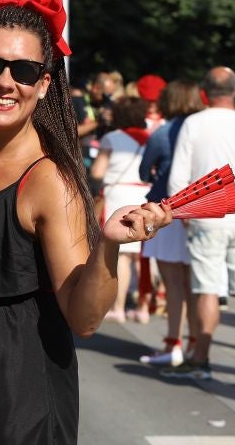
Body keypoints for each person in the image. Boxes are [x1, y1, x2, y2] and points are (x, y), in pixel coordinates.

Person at [0, 0, 171, 444]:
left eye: (24, 71)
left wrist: (106, 244)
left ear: (44, 84)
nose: (6, 83)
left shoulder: (51, 179)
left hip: (18, 389)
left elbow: (84, 319)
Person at [162, 67, 235, 381]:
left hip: (206, 215)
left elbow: (178, 177)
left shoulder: (194, 125)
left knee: (208, 288)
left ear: (204, 92)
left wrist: (181, 212)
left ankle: (201, 358)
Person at [137, 81, 204, 365]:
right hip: (199, 210)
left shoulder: (163, 132)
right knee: (196, 284)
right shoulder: (205, 131)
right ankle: (194, 344)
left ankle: (172, 342)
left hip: (166, 211)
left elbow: (144, 171)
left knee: (172, 283)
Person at [90, 97, 151, 323]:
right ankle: (144, 308)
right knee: (143, 256)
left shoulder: (112, 138)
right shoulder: (150, 139)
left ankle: (119, 307)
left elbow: (97, 171)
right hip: (145, 194)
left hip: (119, 197)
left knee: (123, 256)